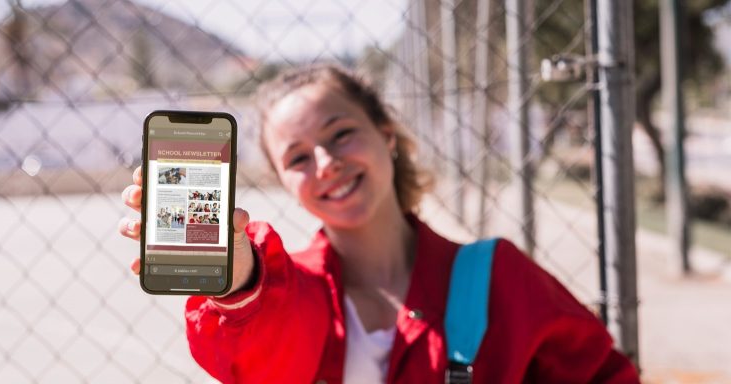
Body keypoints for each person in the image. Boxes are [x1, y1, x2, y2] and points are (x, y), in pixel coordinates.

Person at [119, 64, 639, 383]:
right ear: (283, 182)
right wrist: (237, 280)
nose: (325, 164)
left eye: (341, 133)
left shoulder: (496, 276)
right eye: (297, 158)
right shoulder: (287, 290)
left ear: (387, 135)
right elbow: (261, 358)